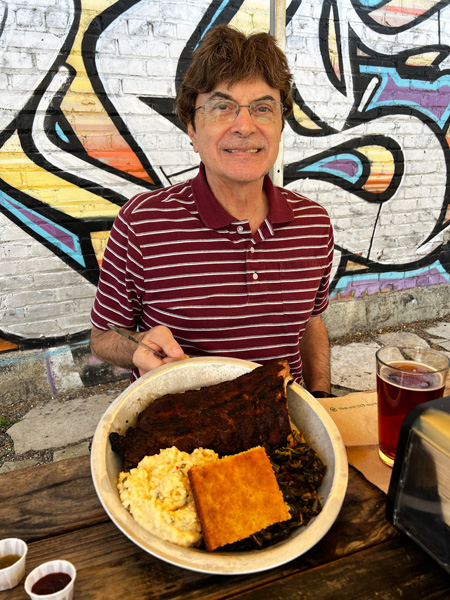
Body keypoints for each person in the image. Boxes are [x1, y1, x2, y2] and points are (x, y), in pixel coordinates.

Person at [90, 24, 334, 397]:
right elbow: (104, 337)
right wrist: (138, 346)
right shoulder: (141, 223)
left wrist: (321, 399)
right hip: (178, 437)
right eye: (223, 107)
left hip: (283, 429)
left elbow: (311, 321)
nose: (245, 126)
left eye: (263, 108)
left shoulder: (314, 225)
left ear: (280, 126)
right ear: (191, 127)